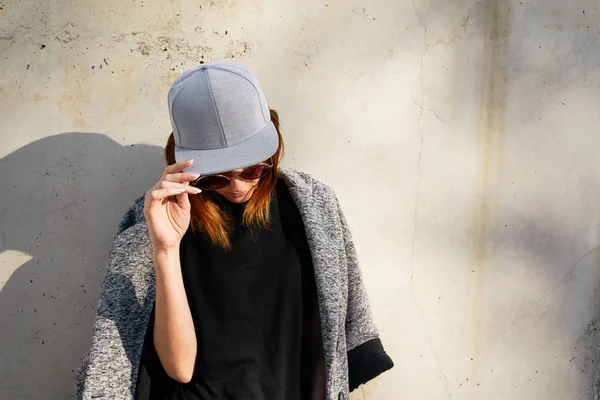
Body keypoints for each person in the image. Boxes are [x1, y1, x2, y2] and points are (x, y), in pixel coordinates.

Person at [75, 61, 393, 400]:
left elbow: (342, 342)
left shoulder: (314, 207)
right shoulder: (153, 221)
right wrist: (164, 250)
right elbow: (178, 369)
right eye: (216, 177)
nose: (238, 187)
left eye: (254, 169)